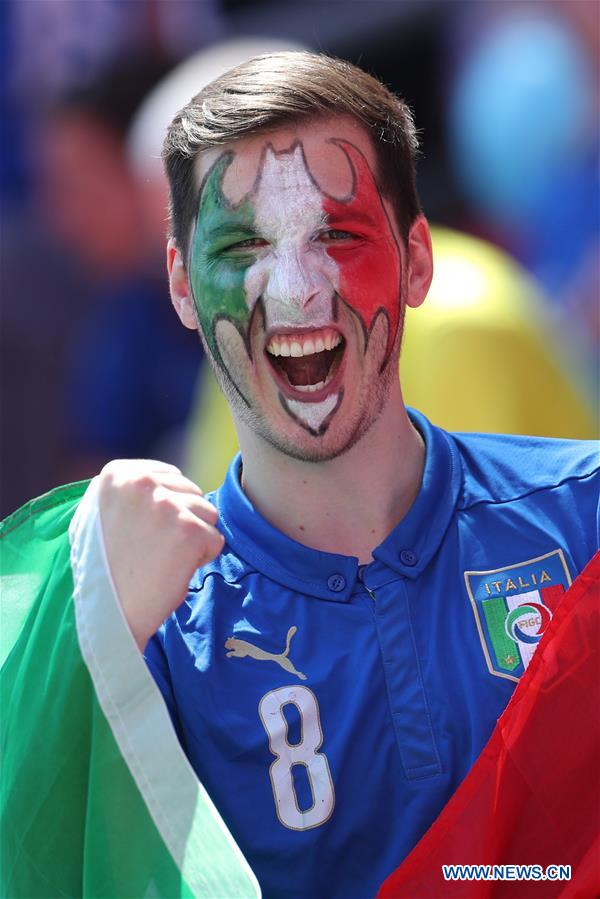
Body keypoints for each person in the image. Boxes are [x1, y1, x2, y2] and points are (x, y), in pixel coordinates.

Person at [3, 52, 598, 899]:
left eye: (337, 235)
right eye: (244, 246)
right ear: (180, 283)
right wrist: (88, 651)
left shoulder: (584, 522)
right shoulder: (153, 624)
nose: (295, 290)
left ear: (417, 259)